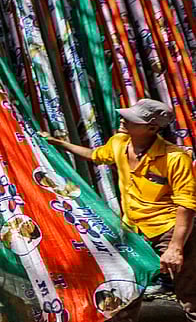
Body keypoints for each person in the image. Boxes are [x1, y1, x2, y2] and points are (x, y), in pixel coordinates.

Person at [42, 98, 196, 321]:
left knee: (188, 289)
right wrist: (59, 144)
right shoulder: (119, 143)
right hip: (133, 228)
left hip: (169, 228)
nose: (123, 119)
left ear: (152, 128)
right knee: (125, 283)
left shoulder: (174, 158)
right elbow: (95, 156)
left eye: (132, 119)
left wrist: (176, 247)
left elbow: (187, 204)